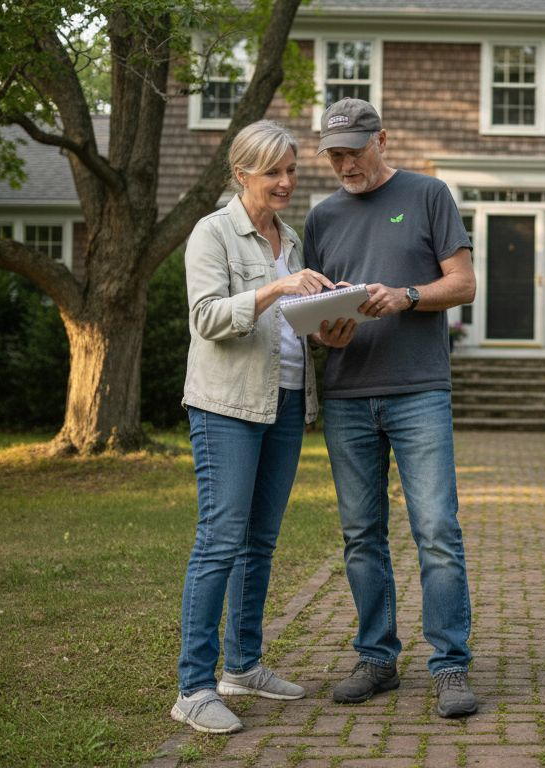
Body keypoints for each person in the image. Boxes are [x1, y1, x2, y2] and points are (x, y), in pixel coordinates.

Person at [305, 98, 480, 718]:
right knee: (361, 536)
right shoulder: (322, 217)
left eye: (354, 149)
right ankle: (376, 658)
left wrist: (407, 295)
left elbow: (462, 284)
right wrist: (326, 332)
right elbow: (317, 311)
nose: (344, 163)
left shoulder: (430, 195)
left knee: (436, 530)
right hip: (348, 394)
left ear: (383, 139)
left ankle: (450, 667)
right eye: (334, 154)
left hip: (418, 391)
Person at [172, 120, 336, 734]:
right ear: (242, 174)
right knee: (219, 540)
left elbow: (291, 323)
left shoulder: (289, 239)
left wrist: (329, 323)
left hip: (287, 402)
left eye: (292, 170)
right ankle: (193, 687)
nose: (287, 182)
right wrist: (277, 287)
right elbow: (208, 318)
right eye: (274, 172)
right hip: (227, 408)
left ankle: (242, 666)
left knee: (259, 543)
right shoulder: (211, 233)